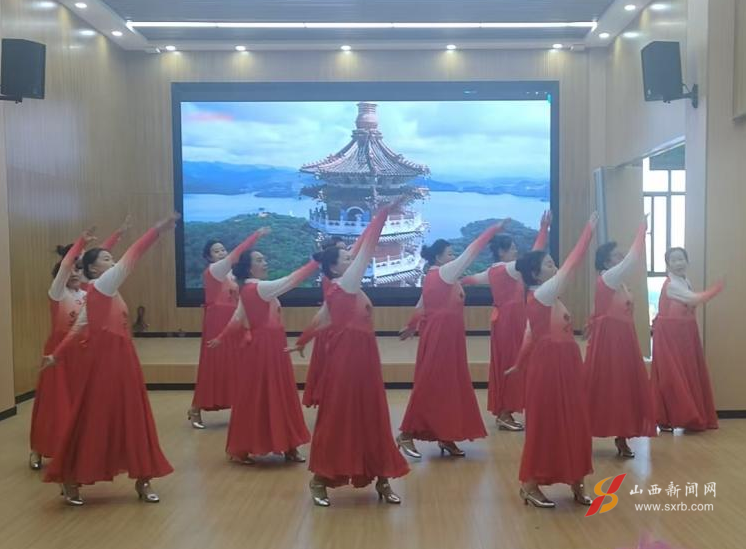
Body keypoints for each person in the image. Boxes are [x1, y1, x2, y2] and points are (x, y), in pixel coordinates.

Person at [41, 213, 179, 506]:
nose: (112, 261)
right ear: (93, 269)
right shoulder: (103, 284)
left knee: (134, 419)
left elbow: (80, 326)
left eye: (111, 258)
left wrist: (56, 354)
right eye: (106, 258)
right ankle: (71, 478)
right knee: (93, 418)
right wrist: (156, 230)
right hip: (104, 362)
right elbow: (133, 256)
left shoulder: (103, 291)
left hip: (124, 360)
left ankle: (143, 479)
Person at [289, 198, 409, 507]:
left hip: (363, 359)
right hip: (348, 359)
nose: (351, 257)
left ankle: (382, 478)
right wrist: (384, 212)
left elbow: (321, 319)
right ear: (334, 266)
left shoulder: (340, 286)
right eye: (346, 257)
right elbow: (368, 247)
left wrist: (302, 340)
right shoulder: (345, 285)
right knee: (340, 417)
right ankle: (320, 480)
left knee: (373, 417)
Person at [396, 221, 507, 459]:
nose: (453, 257)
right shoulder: (443, 273)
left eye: (452, 254)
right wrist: (492, 230)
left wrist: (412, 325)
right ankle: (406, 433)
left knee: (448, 386)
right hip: (441, 337)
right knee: (431, 384)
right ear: (438, 257)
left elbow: (422, 304)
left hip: (448, 336)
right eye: (449, 254)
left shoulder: (440, 276)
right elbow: (471, 253)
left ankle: (445, 435)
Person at [512, 212, 598, 508]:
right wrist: (588, 231)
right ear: (536, 275)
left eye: (553, 262)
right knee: (549, 424)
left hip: (565, 366)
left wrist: (519, 364)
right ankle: (530, 485)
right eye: (549, 264)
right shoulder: (542, 294)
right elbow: (573, 264)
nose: (556, 266)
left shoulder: (548, 297)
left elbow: (529, 336)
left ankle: (577, 480)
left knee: (575, 421)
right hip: (550, 368)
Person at [209, 251, 318, 464]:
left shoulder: (249, 289)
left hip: (272, 347)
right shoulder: (260, 288)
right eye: (259, 260)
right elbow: (291, 280)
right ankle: (257, 447)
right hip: (264, 348)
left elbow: (237, 318)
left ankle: (288, 445)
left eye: (264, 259)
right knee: (266, 394)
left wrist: (221, 338)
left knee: (275, 394)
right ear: (249, 268)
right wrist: (316, 262)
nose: (265, 263)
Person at [460, 211, 551, 431]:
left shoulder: (493, 270)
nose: (515, 251)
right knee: (512, 363)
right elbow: (532, 258)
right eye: (512, 249)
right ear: (501, 252)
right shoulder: (507, 269)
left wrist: (454, 280)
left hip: (506, 320)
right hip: (511, 322)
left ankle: (507, 410)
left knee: (510, 362)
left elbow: (470, 279)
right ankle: (504, 413)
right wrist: (543, 229)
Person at [585, 220, 656, 457]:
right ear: (606, 262)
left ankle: (622, 434)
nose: (622, 258)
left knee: (624, 385)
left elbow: (599, 306)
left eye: (621, 255)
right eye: (617, 256)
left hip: (624, 338)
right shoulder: (609, 277)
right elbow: (633, 259)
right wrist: (641, 230)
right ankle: (585, 431)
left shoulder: (618, 282)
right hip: (611, 341)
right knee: (610, 385)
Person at [188, 227, 270, 429]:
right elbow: (237, 254)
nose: (221, 253)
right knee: (214, 365)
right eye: (216, 251)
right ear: (209, 257)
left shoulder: (231, 275)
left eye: (222, 249)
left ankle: (242, 407)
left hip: (234, 320)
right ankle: (196, 408)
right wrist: (255, 235)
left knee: (238, 364)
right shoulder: (214, 270)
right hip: (217, 321)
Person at [28, 228, 96, 470]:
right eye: (71, 270)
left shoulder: (87, 294)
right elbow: (67, 265)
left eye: (79, 270)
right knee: (53, 405)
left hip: (82, 354)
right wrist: (80, 243)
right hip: (57, 355)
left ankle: (74, 450)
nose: (76, 273)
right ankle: (38, 450)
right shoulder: (57, 293)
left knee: (78, 404)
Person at [651, 247, 724, 432]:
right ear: (668, 265)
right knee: (672, 376)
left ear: (687, 261)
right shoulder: (672, 285)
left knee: (688, 373)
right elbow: (694, 299)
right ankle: (668, 418)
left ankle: (687, 417)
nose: (678, 263)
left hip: (684, 335)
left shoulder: (685, 281)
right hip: (670, 337)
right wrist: (715, 289)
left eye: (681, 259)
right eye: (673, 260)